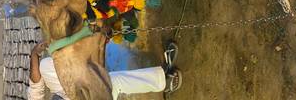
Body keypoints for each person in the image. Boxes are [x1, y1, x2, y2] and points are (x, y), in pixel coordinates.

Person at [27, 43, 182, 100]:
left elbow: (36, 87)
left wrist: (34, 54)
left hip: (71, 87)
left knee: (45, 65)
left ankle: (160, 77)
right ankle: (164, 81)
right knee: (111, 82)